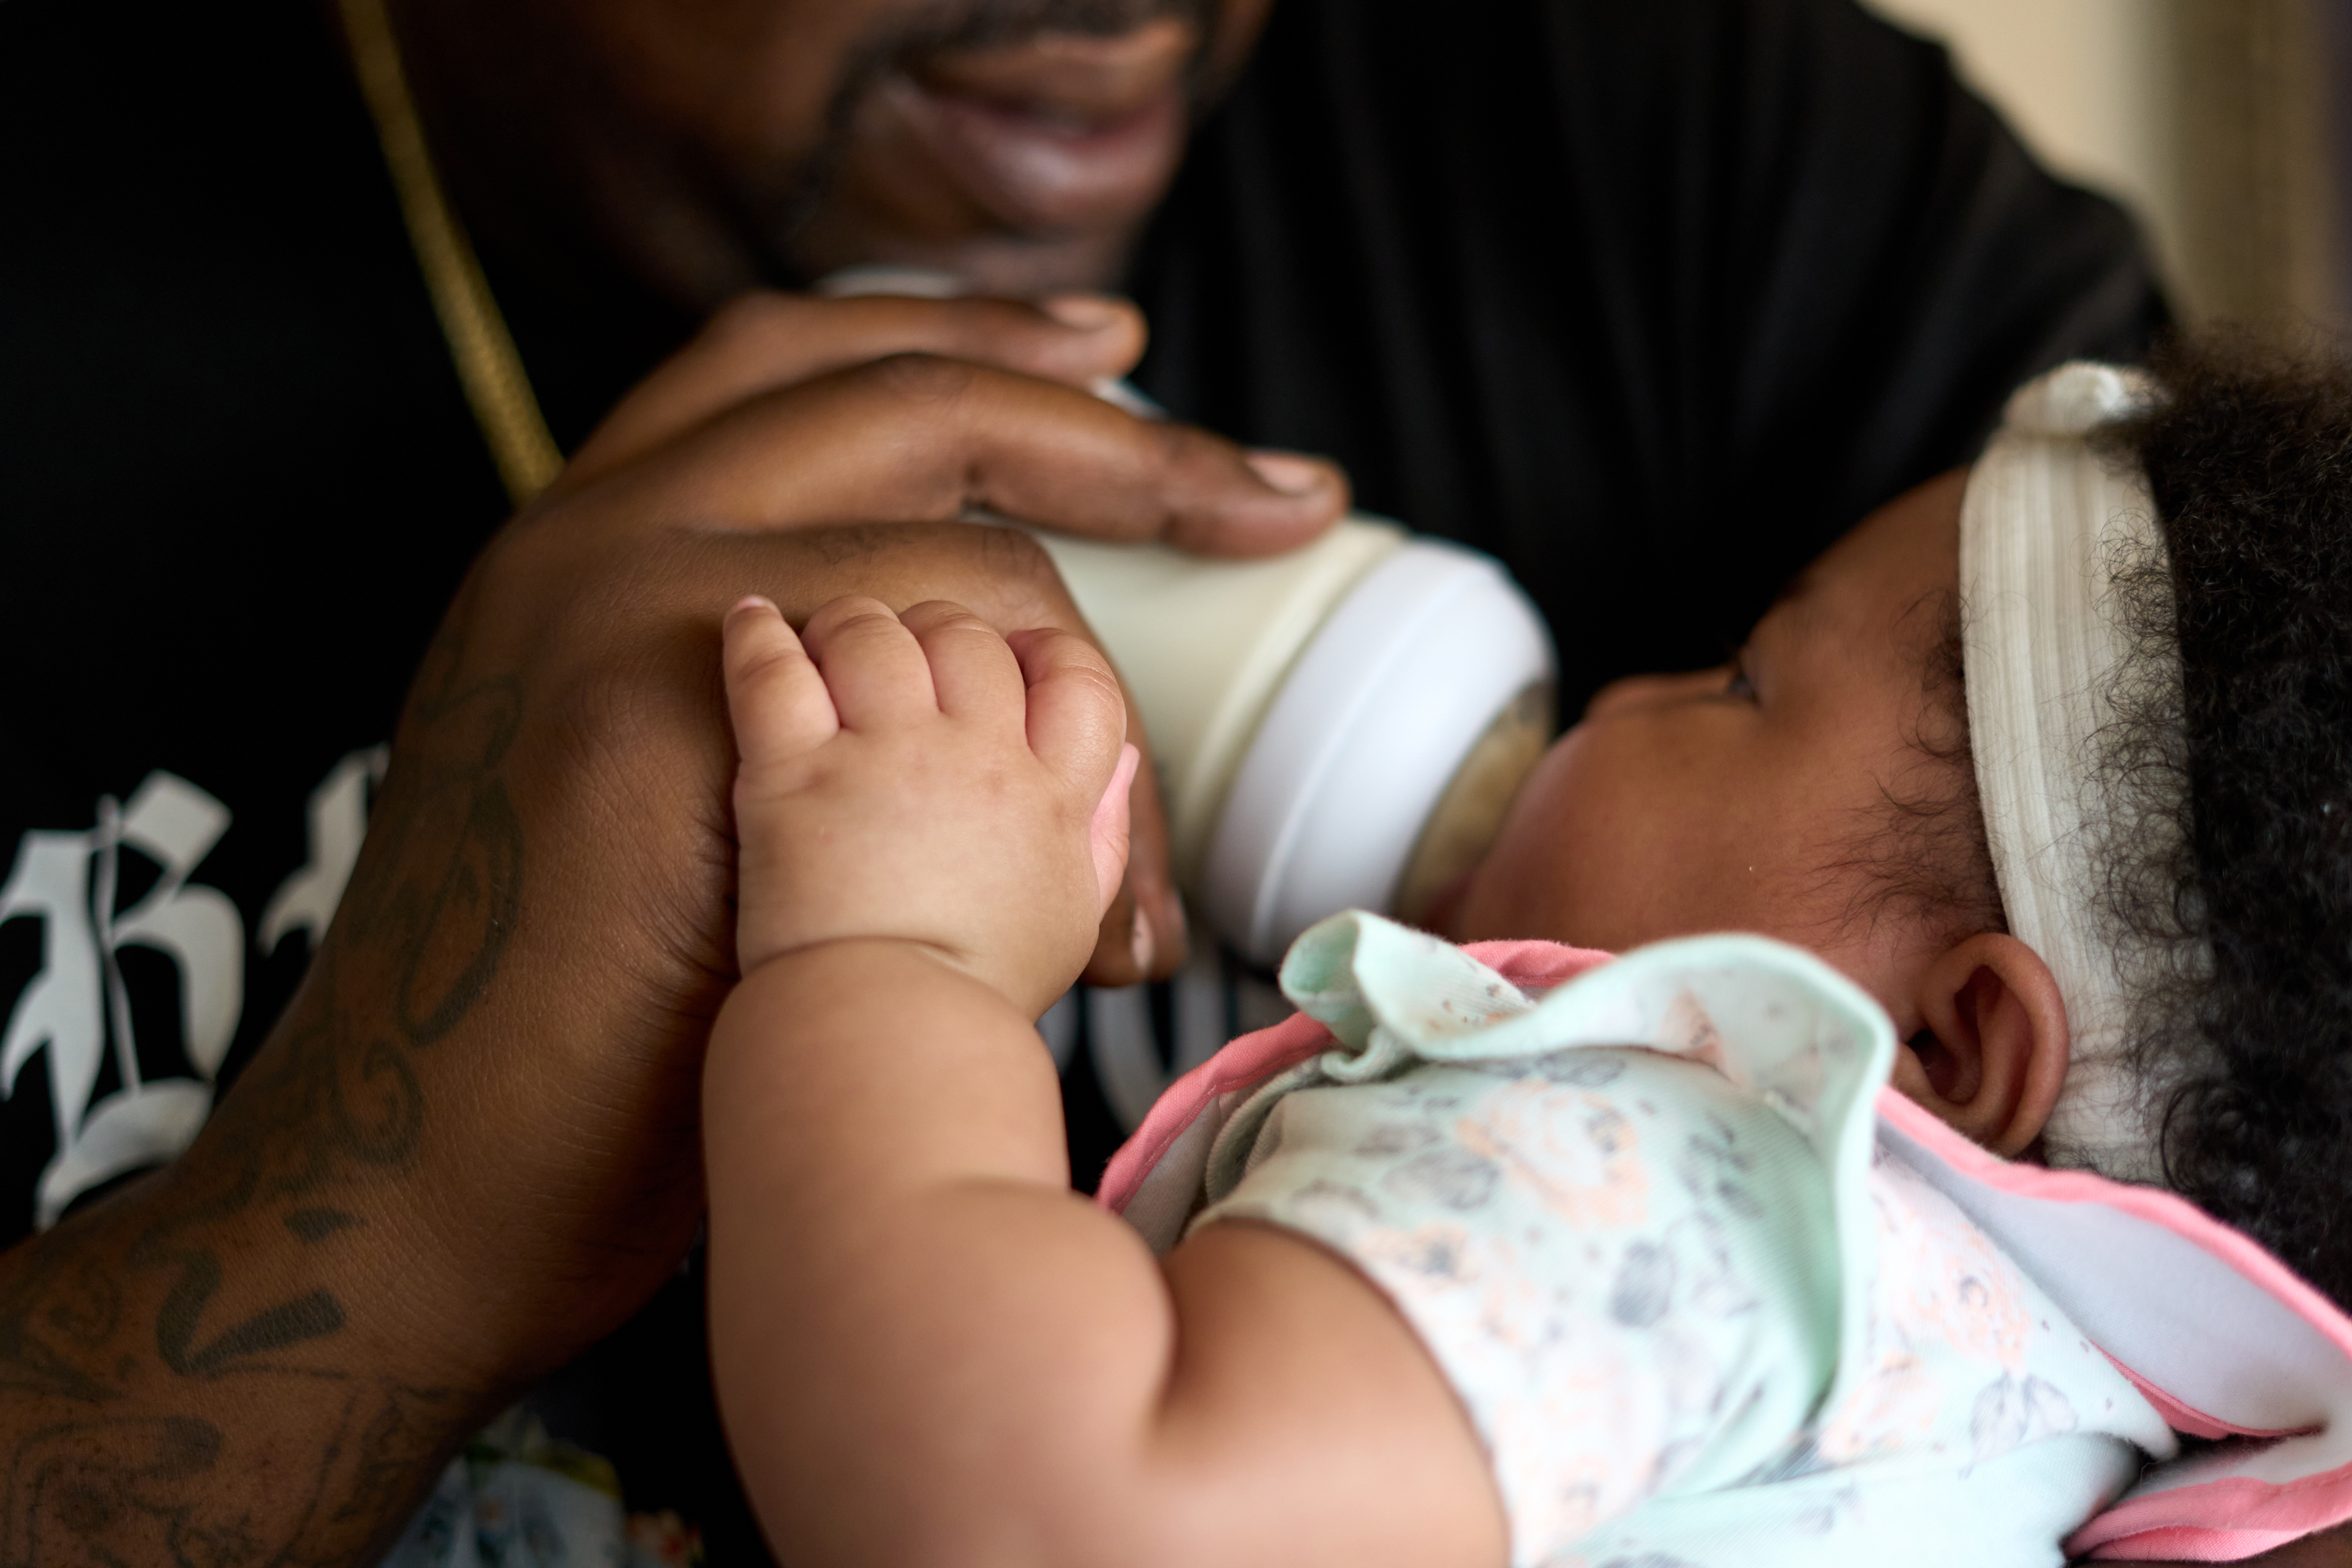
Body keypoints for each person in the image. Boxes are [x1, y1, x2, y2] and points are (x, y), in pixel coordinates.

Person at [0, 0, 2174, 1559]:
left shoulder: (1728, 183)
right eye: (1720, 659)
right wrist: (376, 1217)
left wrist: (893, 965)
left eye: (1728, 675)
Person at [699, 341, 2352, 1566]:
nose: (1626, 694)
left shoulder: (1685, 1186)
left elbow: (1049, 1515)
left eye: (1740, 686)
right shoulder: (2037, 1412)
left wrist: (895, 946)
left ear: (1945, 1046)